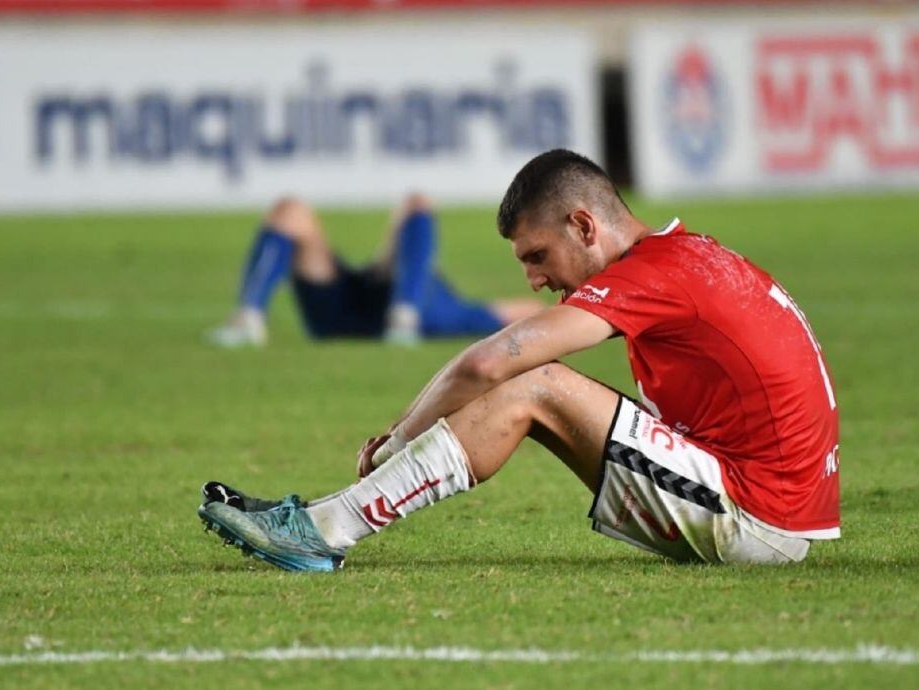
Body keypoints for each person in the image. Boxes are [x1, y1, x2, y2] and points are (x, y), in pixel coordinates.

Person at [197, 149, 841, 571]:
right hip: (764, 497)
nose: (534, 280)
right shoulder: (682, 257)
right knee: (536, 384)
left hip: (758, 519)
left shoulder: (656, 275)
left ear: (585, 227)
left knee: (534, 383)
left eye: (537, 256)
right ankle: (319, 519)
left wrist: (396, 441)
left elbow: (490, 364)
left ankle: (322, 530)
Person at [207, 194, 543, 347]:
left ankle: (403, 317)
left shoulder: (450, 315)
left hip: (345, 318)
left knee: (291, 211)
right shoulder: (454, 312)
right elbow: (530, 312)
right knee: (290, 209)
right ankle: (249, 319)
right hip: (369, 306)